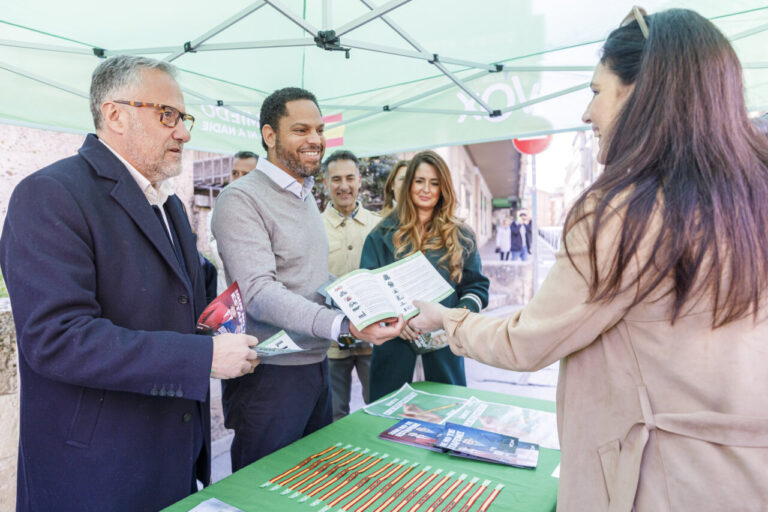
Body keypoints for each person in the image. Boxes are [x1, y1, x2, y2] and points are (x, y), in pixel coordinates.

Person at [411, 8, 768, 510]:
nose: (586, 113)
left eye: (597, 91)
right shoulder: (751, 195)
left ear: (643, 92)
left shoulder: (623, 210)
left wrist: (446, 318)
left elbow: (527, 343)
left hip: (656, 482)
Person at [0, 55, 260, 512]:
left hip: (171, 456)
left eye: (184, 118)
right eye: (168, 115)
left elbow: (182, 298)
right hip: (97, 470)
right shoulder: (50, 194)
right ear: (115, 114)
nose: (184, 131)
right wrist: (203, 357)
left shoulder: (170, 204)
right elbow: (57, 339)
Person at [211, 87, 402, 471]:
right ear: (269, 136)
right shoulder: (240, 199)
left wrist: (364, 300)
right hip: (269, 378)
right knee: (263, 490)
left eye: (318, 129)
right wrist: (342, 325)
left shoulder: (303, 195)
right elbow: (260, 293)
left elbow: (309, 276)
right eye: (300, 130)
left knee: (308, 483)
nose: (315, 139)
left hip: (314, 367)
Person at [361, 150, 489, 402]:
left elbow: (476, 287)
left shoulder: (461, 235)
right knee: (389, 426)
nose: (426, 189)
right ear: (409, 184)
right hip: (394, 350)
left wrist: (451, 318)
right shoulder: (379, 235)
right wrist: (395, 321)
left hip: (444, 352)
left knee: (444, 420)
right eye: (419, 181)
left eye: (434, 183)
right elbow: (368, 293)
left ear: (444, 188)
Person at [320, 149, 380, 420]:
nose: (343, 186)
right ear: (325, 183)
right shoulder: (314, 227)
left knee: (379, 408)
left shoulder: (379, 227)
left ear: (359, 181)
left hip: (374, 338)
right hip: (331, 341)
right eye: (336, 179)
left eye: (349, 178)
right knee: (334, 415)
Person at [208, 150, 259, 295]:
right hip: (228, 301)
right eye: (235, 173)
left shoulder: (270, 213)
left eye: (245, 174)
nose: (238, 179)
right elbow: (224, 259)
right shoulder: (216, 213)